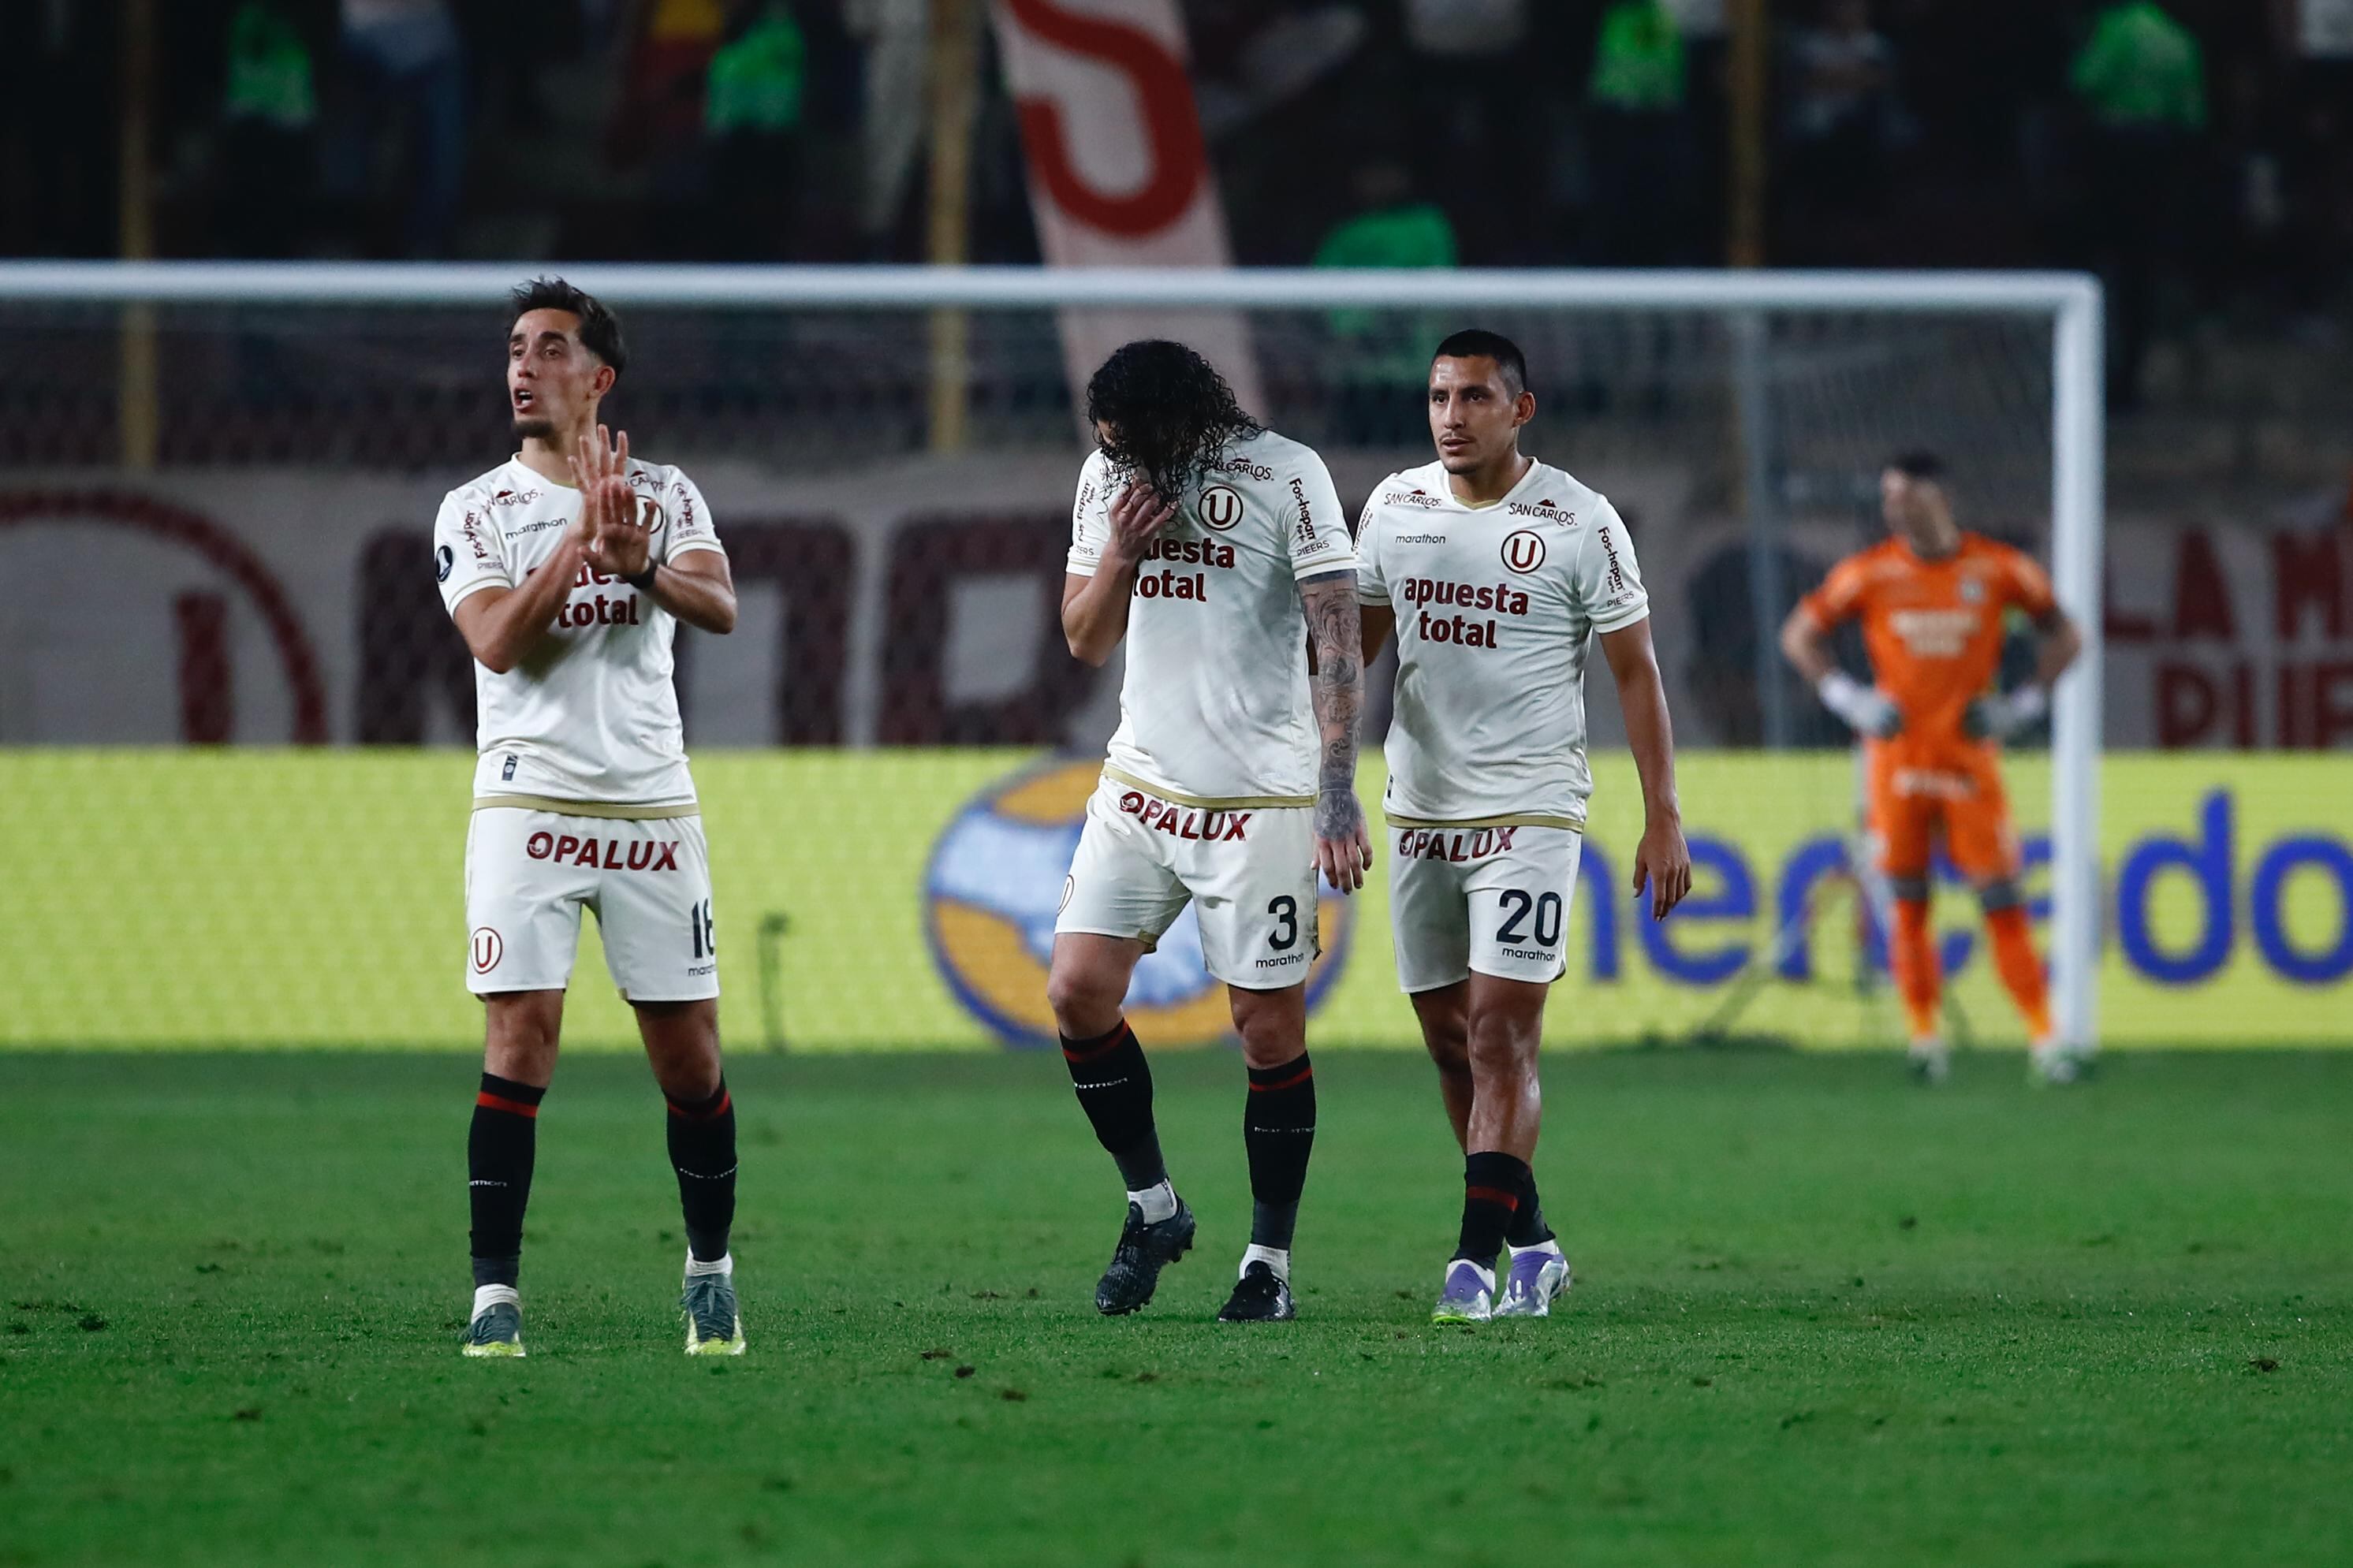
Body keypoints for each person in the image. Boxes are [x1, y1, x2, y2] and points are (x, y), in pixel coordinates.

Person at [1357, 330, 1692, 1324]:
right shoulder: (1392, 508)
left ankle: (1470, 1267)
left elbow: (1633, 673)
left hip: (1534, 808)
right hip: (1419, 808)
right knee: (1450, 1044)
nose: (1450, 418)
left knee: (1502, 1029)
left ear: (1520, 408)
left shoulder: (1579, 521)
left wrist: (1661, 817)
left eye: (1472, 398)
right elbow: (1349, 657)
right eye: (1437, 398)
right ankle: (1533, 1241)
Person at [435, 278, 744, 1357]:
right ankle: (494, 1297)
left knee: (689, 1060)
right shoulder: (473, 509)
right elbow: (496, 643)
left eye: (550, 348)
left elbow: (721, 607)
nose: (524, 366)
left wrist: (642, 563)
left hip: (652, 806)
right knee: (522, 1036)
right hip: (527, 800)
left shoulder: (664, 492)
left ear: (598, 377)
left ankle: (710, 1271)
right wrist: (579, 549)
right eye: (516, 348)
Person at [1051, 340, 1370, 1325]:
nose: (1121, 462)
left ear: (1184, 421)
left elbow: (1335, 634)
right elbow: (1083, 638)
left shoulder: (1287, 473)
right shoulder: (1108, 480)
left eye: (1134, 443)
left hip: (1260, 800)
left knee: (1265, 1031)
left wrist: (1334, 789)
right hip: (1141, 785)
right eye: (1108, 447)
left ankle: (1267, 1261)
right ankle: (1152, 1208)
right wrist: (1117, 554)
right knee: (1075, 993)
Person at [1779, 451, 2084, 1086]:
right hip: (1898, 763)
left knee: (2002, 900)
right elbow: (1800, 635)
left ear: (1939, 496)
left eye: (1907, 494)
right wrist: (1847, 696)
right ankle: (1925, 1042)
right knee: (1909, 904)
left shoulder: (1999, 570)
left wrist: (2023, 704)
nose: (1895, 507)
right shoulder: (1869, 573)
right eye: (1889, 496)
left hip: (1970, 758)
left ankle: (2046, 1041)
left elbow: (2067, 636)